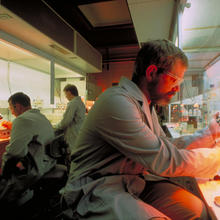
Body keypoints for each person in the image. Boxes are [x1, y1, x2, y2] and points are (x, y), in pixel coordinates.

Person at [60, 39, 220, 220]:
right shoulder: (116, 102)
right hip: (96, 187)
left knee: (196, 209)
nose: (177, 88)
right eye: (175, 80)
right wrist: (216, 158)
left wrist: (208, 135)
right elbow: (162, 159)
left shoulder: (146, 104)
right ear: (151, 73)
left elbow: (166, 145)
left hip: (132, 181)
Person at [1, 92, 56, 177]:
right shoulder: (41, 117)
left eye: (11, 108)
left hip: (36, 169)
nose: (11, 112)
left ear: (18, 106)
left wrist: (3, 172)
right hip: (49, 163)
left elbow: (14, 152)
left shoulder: (22, 120)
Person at [55, 84, 86, 153]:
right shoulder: (80, 102)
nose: (66, 97)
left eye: (65, 94)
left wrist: (55, 127)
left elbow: (65, 122)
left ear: (69, 92)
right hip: (78, 132)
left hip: (73, 134)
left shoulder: (73, 103)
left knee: (72, 153)